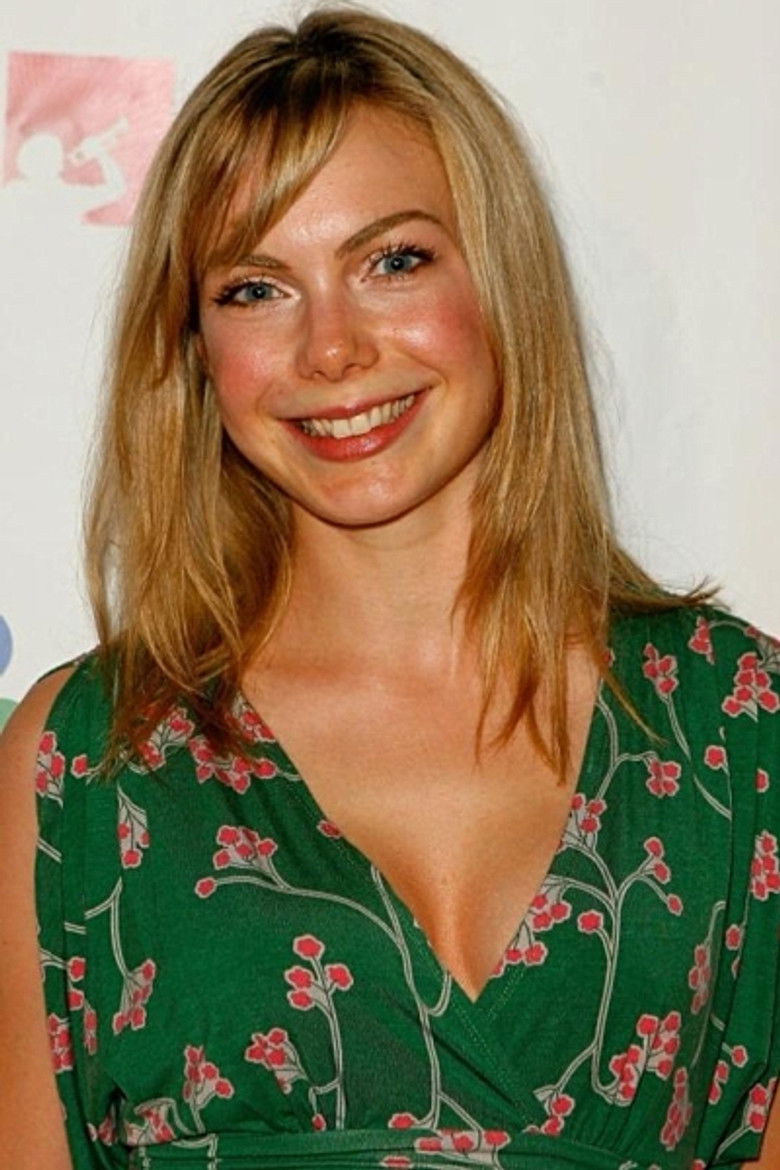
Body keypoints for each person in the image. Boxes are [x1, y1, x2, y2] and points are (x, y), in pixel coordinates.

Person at [1, 8, 778, 1169]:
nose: (332, 349)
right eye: (256, 288)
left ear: (499, 280)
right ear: (196, 348)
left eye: (393, 261)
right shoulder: (91, 761)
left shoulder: (738, 723)